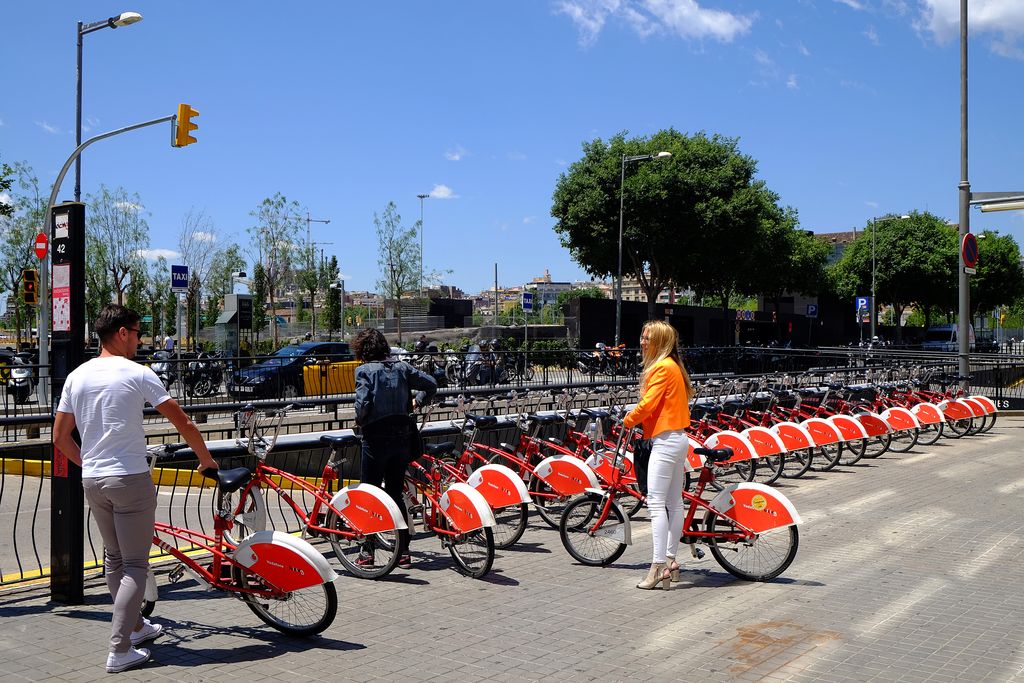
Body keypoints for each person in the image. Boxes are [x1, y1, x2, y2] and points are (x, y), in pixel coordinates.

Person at [53, 305, 218, 673]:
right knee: (135, 566)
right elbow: (182, 420)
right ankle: (119, 648)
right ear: (122, 333)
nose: (141, 340)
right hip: (128, 478)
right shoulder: (137, 373)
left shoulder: (77, 377)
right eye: (138, 332)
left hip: (93, 480)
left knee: (114, 559)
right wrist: (206, 459)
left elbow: (60, 438)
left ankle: (138, 627)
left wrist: (90, 465)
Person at [352, 328, 437, 569]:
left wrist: (359, 420)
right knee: (395, 493)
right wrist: (416, 402)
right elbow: (431, 384)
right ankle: (404, 551)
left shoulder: (364, 371)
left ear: (362, 349)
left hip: (375, 439)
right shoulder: (401, 368)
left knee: (369, 495)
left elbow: (363, 404)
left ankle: (367, 552)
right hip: (401, 438)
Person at [623, 320, 693, 591]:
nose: (642, 341)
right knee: (674, 503)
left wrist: (628, 420)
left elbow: (648, 404)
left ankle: (656, 566)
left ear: (660, 342)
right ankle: (671, 562)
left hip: (664, 441)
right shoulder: (674, 366)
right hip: (678, 438)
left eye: (647, 338)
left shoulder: (662, 368)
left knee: (656, 504)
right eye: (642, 336)